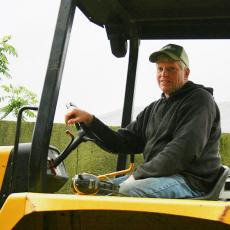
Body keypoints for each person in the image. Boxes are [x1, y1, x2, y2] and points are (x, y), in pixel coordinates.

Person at [65, 44, 222, 198]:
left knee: (124, 191)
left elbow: (182, 151)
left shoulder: (200, 101)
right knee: (92, 192)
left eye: (171, 69)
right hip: (160, 177)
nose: (164, 74)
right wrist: (90, 121)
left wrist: (139, 175)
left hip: (189, 180)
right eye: (160, 69)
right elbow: (121, 141)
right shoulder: (154, 108)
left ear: (186, 73)